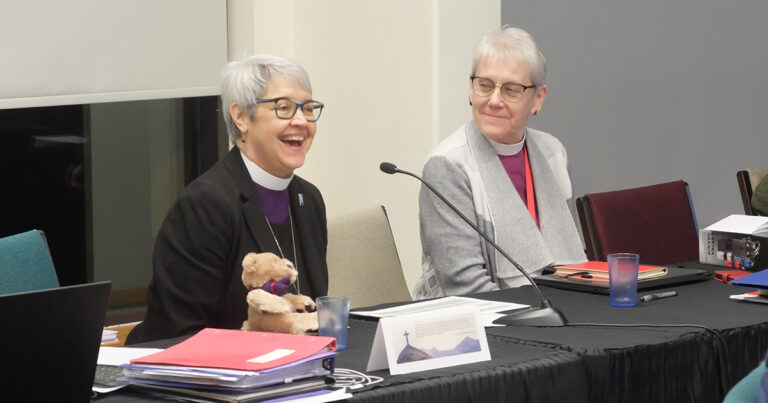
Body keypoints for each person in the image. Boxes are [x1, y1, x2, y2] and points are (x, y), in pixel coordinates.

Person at [127, 55, 328, 343]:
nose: (301, 121)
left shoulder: (308, 199)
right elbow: (176, 335)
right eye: (284, 108)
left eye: (308, 109)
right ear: (241, 117)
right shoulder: (205, 205)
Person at [414, 27, 586, 298]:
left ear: (537, 98)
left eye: (511, 90)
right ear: (471, 88)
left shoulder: (552, 153)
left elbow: (569, 265)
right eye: (484, 85)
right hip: (470, 324)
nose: (494, 100)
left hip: (550, 313)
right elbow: (467, 287)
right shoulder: (446, 165)